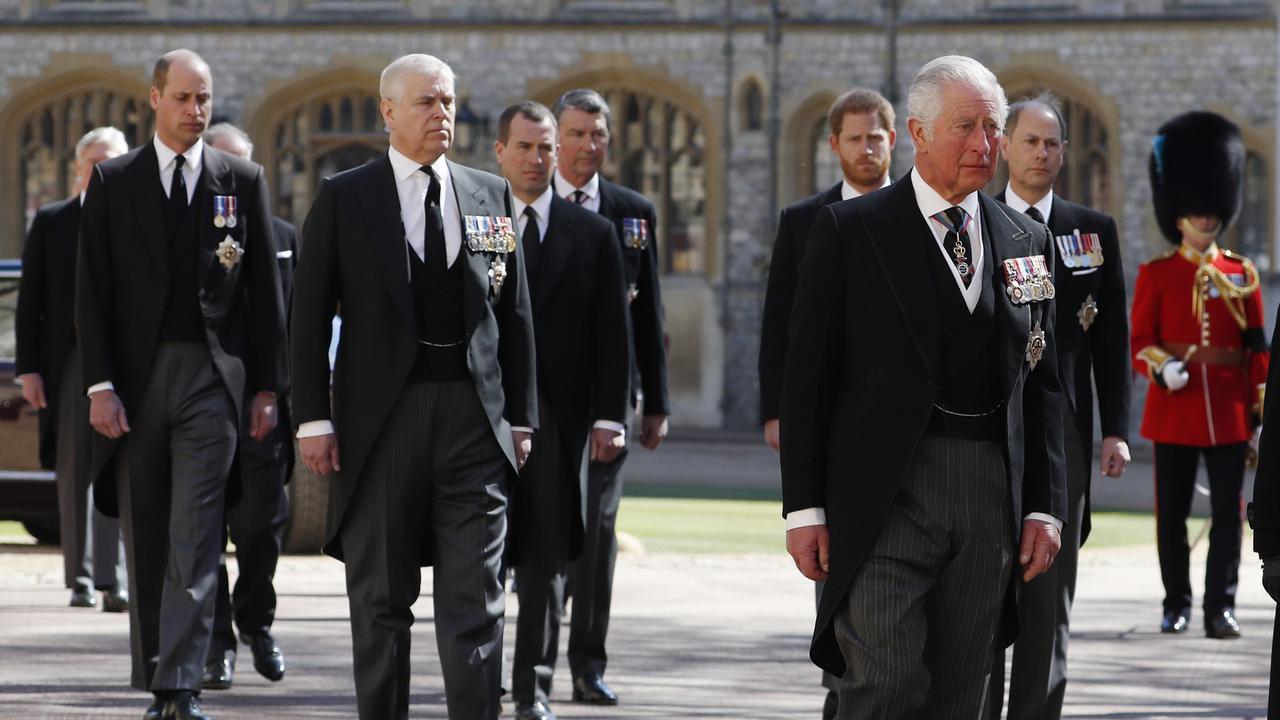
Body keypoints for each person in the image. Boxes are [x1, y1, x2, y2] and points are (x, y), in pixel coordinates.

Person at [779, 55, 1066, 718]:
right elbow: (807, 380)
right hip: (883, 495)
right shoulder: (851, 231)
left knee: (963, 690)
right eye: (965, 126)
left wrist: (1044, 505)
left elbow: (1045, 382)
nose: (983, 145)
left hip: (989, 493)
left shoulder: (1027, 240)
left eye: (992, 129)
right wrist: (804, 510)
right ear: (918, 131)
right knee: (882, 678)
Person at [289, 53, 537, 720]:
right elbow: (308, 316)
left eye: (449, 101)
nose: (442, 114)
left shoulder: (490, 194)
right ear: (388, 113)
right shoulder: (347, 197)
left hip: (473, 418)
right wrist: (313, 419)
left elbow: (514, 316)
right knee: (381, 598)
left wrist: (522, 419)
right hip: (381, 421)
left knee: (477, 598)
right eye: (427, 102)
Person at [76, 49, 286, 720]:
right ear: (154, 99)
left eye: (206, 99)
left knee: (197, 533)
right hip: (136, 383)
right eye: (185, 98)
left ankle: (181, 685)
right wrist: (100, 385)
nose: (197, 110)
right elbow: (93, 295)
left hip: (211, 378)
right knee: (150, 534)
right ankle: (155, 674)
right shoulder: (113, 181)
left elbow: (264, 295)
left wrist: (267, 388)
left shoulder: (241, 178)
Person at [987, 94, 1132, 720]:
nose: (1041, 153)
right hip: (991, 428)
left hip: (1064, 432)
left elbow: (1112, 337)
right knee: (984, 590)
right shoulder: (975, 221)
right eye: (1030, 141)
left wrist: (1115, 430)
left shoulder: (1090, 231)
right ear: (1005, 148)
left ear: (1064, 152)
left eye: (1052, 144)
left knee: (1049, 596)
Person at [757, 86, 895, 720]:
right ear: (833, 144)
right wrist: (777, 410)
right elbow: (781, 323)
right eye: (855, 137)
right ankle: (841, 680)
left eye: (877, 136)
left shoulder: (917, 216)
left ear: (895, 140)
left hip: (894, 416)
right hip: (830, 422)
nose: (868, 148)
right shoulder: (804, 221)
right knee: (834, 556)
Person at [494, 101, 630, 720]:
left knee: (546, 560)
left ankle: (533, 689)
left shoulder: (594, 234)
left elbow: (614, 335)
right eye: (524, 147)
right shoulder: (481, 222)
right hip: (487, 417)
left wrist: (610, 416)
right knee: (482, 560)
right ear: (500, 152)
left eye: (545, 148)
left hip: (559, 422)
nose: (536, 159)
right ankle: (481, 681)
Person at [549, 88, 670, 706]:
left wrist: (656, 403)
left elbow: (647, 312)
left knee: (598, 538)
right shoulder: (524, 205)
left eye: (597, 135)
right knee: (542, 535)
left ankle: (586, 666)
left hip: (608, 403)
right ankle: (533, 671)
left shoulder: (631, 211)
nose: (587, 146)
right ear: (556, 138)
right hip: (540, 402)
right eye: (576, 134)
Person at [1131, 110, 1266, 640]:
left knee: (1230, 519)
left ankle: (1221, 607)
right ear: (1178, 214)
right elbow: (1140, 341)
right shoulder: (1158, 273)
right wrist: (1164, 369)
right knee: (1172, 517)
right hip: (1174, 409)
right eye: (1195, 210)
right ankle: (1176, 603)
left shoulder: (1242, 274)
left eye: (1211, 210)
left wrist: (1258, 413)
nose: (1205, 218)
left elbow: (1257, 348)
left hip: (1230, 411)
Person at [16, 126, 131, 613]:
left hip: (129, 363)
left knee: (123, 472)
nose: (104, 171)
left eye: (114, 162)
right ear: (80, 169)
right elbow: (30, 302)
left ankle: (117, 578)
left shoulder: (140, 218)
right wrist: (30, 370)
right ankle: (81, 577)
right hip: (71, 365)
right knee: (77, 471)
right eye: (97, 162)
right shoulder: (53, 221)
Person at [199, 122, 293, 691]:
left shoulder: (284, 235)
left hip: (266, 411)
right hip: (207, 405)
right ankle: (216, 644)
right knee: (205, 530)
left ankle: (256, 621)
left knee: (261, 528)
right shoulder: (188, 238)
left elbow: (301, 324)